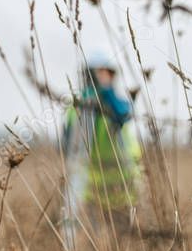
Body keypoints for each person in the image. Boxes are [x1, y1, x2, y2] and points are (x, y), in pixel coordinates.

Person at [61, 51, 142, 236]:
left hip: (124, 188)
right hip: (93, 191)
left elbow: (124, 114)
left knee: (125, 239)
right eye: (99, 74)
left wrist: (106, 94)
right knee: (98, 242)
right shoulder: (78, 107)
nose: (104, 78)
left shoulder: (115, 104)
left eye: (108, 74)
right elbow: (68, 147)